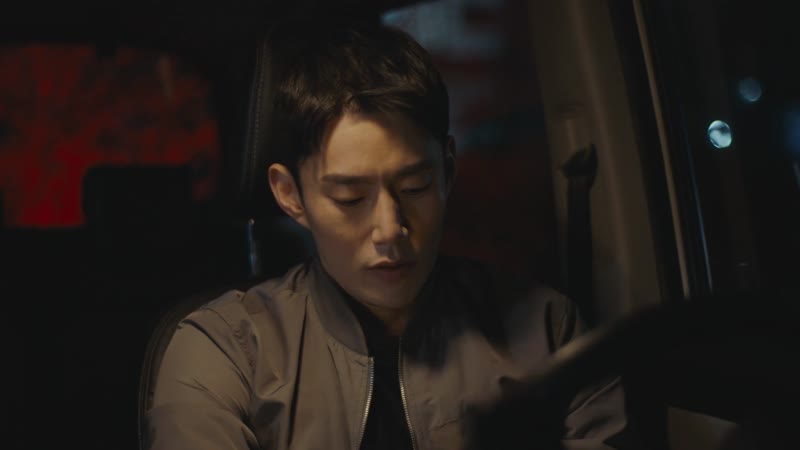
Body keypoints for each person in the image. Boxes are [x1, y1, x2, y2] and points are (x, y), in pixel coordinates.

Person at [144, 17, 627, 450]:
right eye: (350, 198)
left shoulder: (547, 332)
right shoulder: (225, 351)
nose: (391, 229)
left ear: (448, 171)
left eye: (415, 188)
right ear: (291, 195)